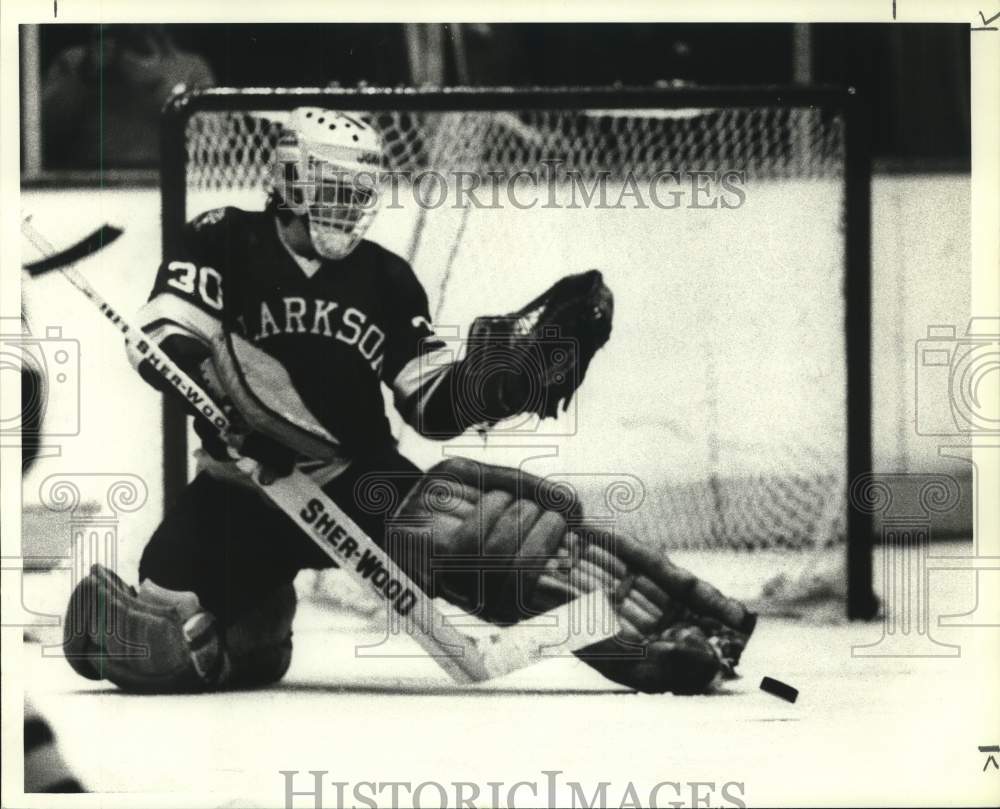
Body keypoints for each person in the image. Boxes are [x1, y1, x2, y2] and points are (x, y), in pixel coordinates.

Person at [62, 107, 754, 694]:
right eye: (331, 188)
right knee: (158, 638)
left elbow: (429, 402)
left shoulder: (387, 277)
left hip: (358, 480)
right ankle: (251, 623)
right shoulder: (225, 237)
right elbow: (168, 335)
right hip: (239, 491)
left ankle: (662, 644)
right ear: (289, 179)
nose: (347, 206)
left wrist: (501, 382)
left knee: (501, 549)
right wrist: (224, 401)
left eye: (358, 191)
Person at [42, 24, 215, 169]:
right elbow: (42, 133)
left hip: (165, 176)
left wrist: (161, 84)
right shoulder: (75, 61)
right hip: (90, 177)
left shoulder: (191, 66)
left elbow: (210, 140)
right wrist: (85, 75)